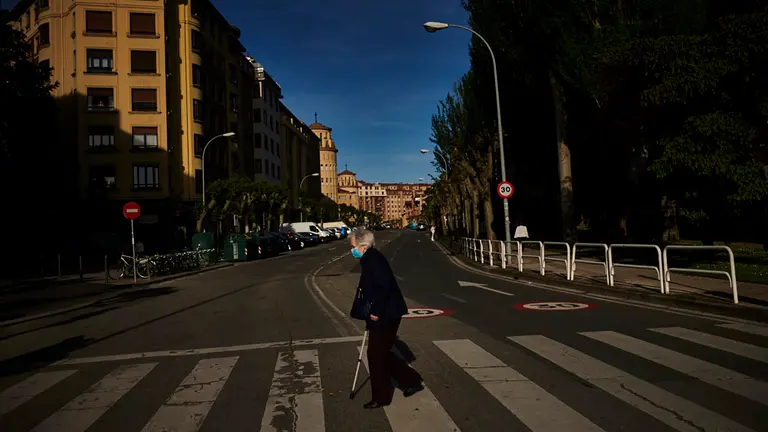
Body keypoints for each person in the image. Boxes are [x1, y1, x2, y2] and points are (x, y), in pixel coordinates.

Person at [350, 229, 424, 409]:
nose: (351, 250)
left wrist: (375, 312)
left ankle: (381, 397)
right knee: (381, 353)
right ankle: (411, 381)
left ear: (363, 246)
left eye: (353, 247)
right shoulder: (370, 259)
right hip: (387, 312)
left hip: (386, 313)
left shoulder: (373, 260)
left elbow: (384, 287)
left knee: (375, 356)